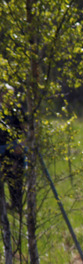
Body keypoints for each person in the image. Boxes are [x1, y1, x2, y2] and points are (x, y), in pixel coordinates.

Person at [0, 84, 26, 212]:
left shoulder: (17, 111)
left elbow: (25, 129)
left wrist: (22, 145)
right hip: (1, 151)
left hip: (15, 151)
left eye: (12, 95)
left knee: (16, 178)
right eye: (6, 94)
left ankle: (17, 205)